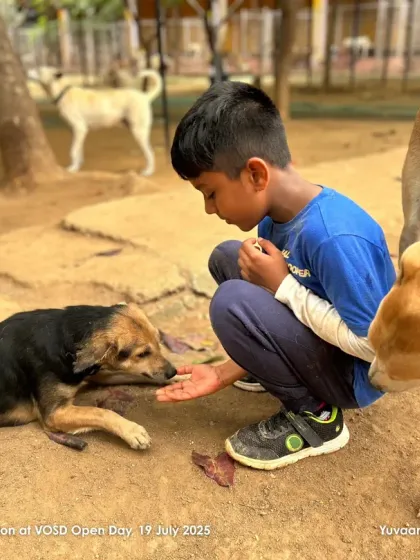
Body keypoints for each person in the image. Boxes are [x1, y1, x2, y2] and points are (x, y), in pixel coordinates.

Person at [156, 81, 396, 471]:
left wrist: (283, 286)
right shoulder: (275, 216)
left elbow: (374, 349)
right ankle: (269, 367)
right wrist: (223, 372)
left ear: (255, 174)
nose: (208, 208)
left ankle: (316, 417)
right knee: (230, 258)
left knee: (233, 301)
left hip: (355, 374)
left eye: (211, 192)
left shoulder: (333, 237)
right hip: (324, 342)